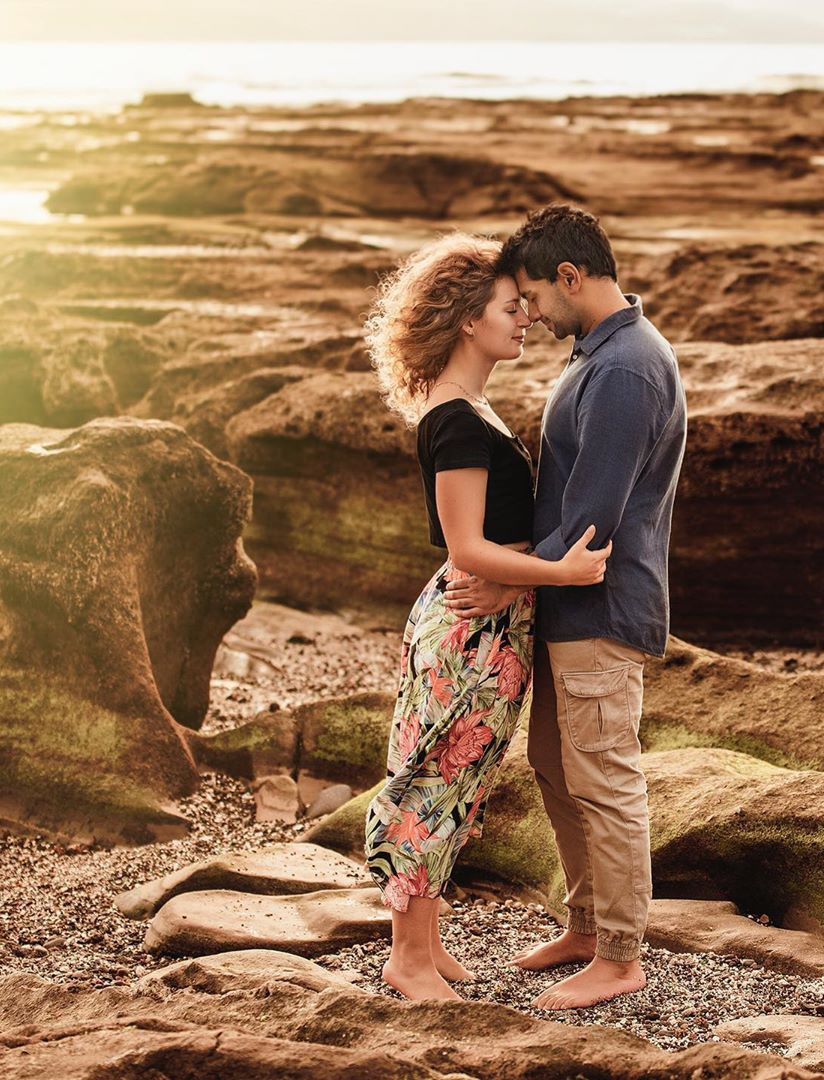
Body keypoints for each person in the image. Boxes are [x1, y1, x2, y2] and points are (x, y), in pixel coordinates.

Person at [445, 204, 688, 1010]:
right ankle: (585, 927)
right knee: (556, 767)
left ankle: (620, 956)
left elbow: (592, 518)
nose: (532, 315)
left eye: (534, 297)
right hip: (567, 606)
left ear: (571, 277)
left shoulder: (625, 370)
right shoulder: (601, 355)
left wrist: (507, 581)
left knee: (604, 780)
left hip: (602, 609)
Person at [362, 232, 611, 1003]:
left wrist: (521, 579)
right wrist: (559, 572)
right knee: (432, 784)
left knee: (460, 785)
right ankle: (406, 958)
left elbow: (492, 539)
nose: (526, 318)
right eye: (511, 307)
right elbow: (467, 546)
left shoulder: (472, 408)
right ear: (469, 320)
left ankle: (426, 943)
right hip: (469, 632)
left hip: (491, 626)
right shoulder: (457, 420)